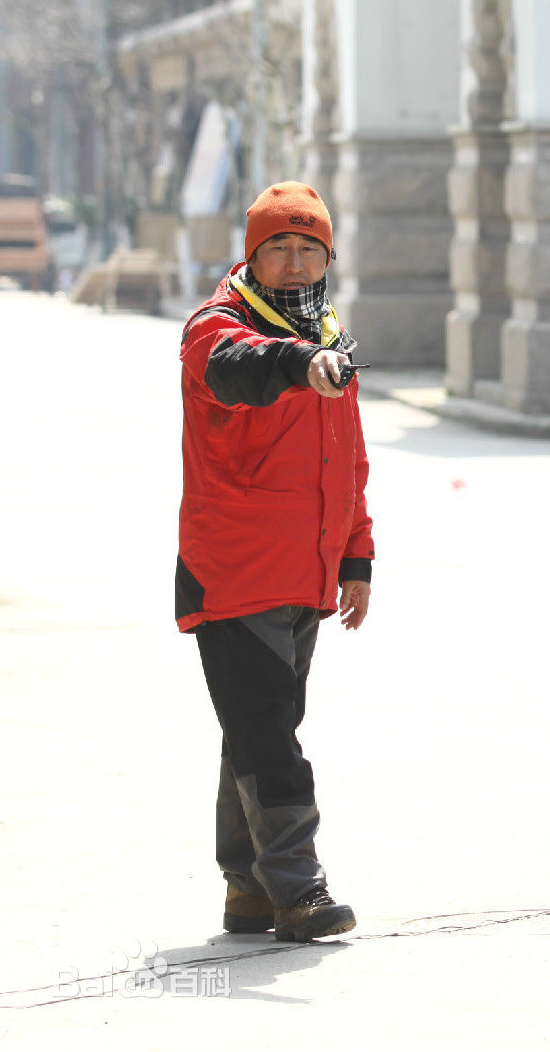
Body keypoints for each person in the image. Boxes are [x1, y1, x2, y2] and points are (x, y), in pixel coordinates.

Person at [177, 180, 372, 943]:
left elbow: (345, 462)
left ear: (327, 255)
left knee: (255, 728)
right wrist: (300, 363)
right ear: (251, 256)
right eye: (277, 249)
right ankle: (300, 890)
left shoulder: (330, 333)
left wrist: (357, 557)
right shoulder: (217, 327)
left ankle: (247, 890)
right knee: (268, 735)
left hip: (306, 571)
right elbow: (238, 368)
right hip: (233, 572)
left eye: (308, 248)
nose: (293, 264)